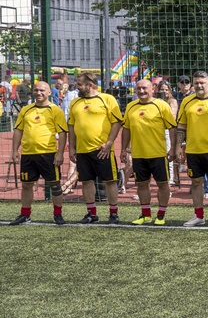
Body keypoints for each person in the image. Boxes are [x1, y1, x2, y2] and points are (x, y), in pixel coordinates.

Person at [9, 81, 69, 225]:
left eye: (42, 90)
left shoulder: (55, 110)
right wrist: (14, 150)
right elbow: (18, 130)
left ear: (49, 92)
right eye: (36, 90)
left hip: (48, 154)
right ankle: (25, 214)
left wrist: (60, 153)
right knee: (26, 185)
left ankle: (58, 215)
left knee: (55, 185)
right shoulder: (26, 110)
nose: (39, 93)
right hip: (28, 154)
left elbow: (62, 133)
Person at [174, 71, 208, 227]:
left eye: (202, 83)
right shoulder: (187, 101)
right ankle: (199, 215)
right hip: (193, 150)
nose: (199, 85)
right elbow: (181, 126)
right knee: (196, 183)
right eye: (196, 82)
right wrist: (178, 146)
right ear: (193, 83)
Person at [68, 72, 124, 224]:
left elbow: (117, 122)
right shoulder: (75, 102)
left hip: (102, 150)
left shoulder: (107, 99)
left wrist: (109, 143)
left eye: (80, 84)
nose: (77, 86)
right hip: (82, 150)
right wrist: (72, 148)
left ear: (89, 85)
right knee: (86, 182)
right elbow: (71, 126)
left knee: (110, 181)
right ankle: (91, 214)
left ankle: (113, 214)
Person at [121, 79, 178, 225]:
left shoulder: (161, 105)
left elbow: (172, 128)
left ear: (152, 89)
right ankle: (145, 214)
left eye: (144, 88)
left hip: (158, 154)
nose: (141, 91)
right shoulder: (130, 106)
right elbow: (126, 129)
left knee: (163, 185)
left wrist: (172, 148)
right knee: (141, 184)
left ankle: (161, 214)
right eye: (138, 88)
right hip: (138, 154)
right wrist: (123, 149)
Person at [157, 80, 182, 187]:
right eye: (162, 89)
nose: (164, 91)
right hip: (156, 130)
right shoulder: (155, 101)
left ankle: (170, 179)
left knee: (169, 154)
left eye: (166, 89)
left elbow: (172, 117)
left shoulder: (172, 101)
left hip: (167, 130)